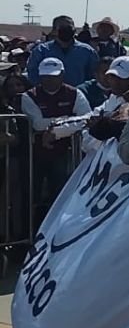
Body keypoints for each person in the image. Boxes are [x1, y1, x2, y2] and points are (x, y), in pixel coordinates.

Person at [22, 58, 90, 218]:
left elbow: (86, 117)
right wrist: (67, 118)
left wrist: (55, 125)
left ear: (62, 74)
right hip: (35, 154)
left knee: (61, 192)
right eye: (45, 76)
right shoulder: (29, 96)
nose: (49, 80)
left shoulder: (74, 93)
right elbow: (37, 124)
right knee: (32, 193)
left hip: (65, 152)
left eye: (53, 75)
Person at [26, 15, 98, 86]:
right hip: (47, 95)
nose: (66, 31)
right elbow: (33, 74)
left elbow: (94, 76)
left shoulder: (87, 51)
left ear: (74, 30)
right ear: (54, 31)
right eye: (63, 28)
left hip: (78, 95)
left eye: (69, 28)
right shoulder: (41, 51)